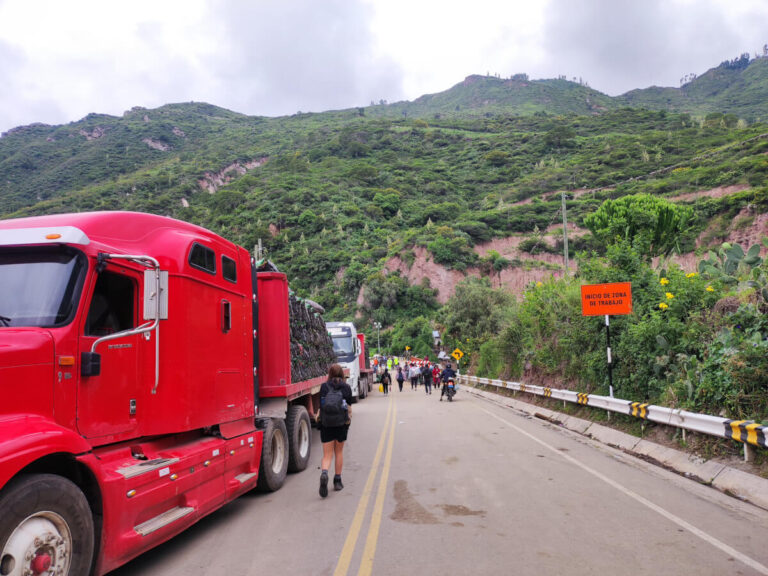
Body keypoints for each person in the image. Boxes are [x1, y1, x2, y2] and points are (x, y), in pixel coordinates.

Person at [319, 364, 353, 497]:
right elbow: (349, 407)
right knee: (338, 452)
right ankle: (337, 481)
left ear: (330, 374)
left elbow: (321, 406)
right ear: (342, 373)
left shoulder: (324, 387)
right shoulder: (346, 388)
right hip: (341, 424)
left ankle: (324, 473)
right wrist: (348, 419)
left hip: (326, 424)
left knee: (327, 455)